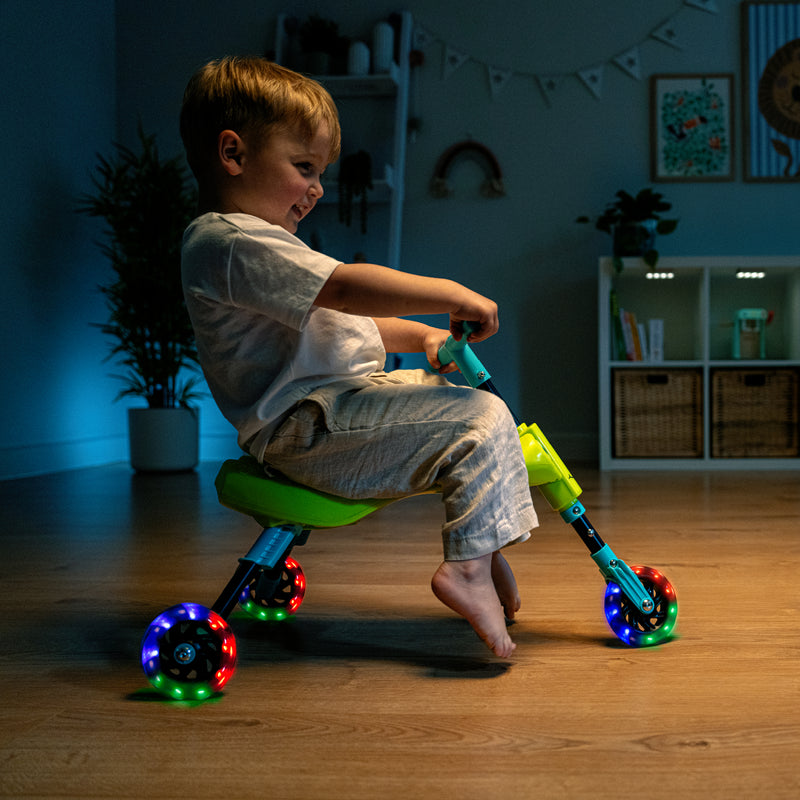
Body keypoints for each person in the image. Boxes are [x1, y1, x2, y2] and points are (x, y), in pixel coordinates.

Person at [179, 56, 538, 658]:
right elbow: (345, 289)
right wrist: (450, 294)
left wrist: (422, 337)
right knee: (482, 421)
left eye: (321, 172)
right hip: (310, 427)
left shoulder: (256, 247)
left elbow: (344, 319)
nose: (318, 189)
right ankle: (467, 568)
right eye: (303, 167)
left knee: (470, 407)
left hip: (332, 409)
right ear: (234, 154)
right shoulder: (228, 241)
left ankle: (482, 545)